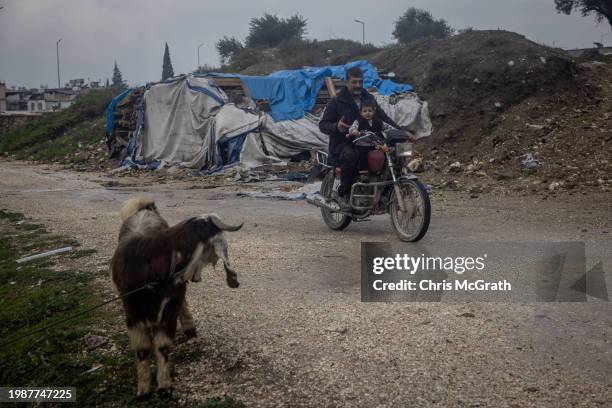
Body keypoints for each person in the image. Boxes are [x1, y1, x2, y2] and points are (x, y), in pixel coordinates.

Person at [319, 66, 403, 209]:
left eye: (360, 82)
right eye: (354, 82)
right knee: (351, 156)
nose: (358, 85)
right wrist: (337, 127)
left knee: (392, 155)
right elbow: (323, 125)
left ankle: (385, 193)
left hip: (369, 141)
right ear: (347, 82)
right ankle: (343, 194)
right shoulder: (337, 102)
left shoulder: (368, 98)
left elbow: (383, 118)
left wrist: (402, 132)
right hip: (344, 143)